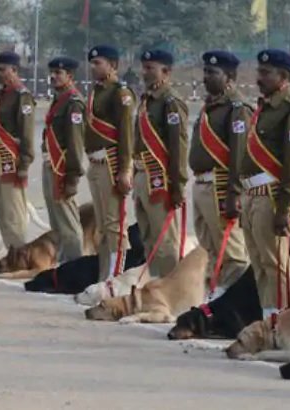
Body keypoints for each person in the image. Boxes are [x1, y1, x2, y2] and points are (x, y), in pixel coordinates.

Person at [240, 49, 290, 320]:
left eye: (266, 73)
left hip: (272, 195)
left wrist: (284, 206)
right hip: (251, 193)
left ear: (283, 77)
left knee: (275, 262)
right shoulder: (264, 108)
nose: (259, 77)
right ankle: (267, 317)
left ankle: (283, 321)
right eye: (259, 71)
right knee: (258, 263)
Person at [189, 50, 250, 298]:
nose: (206, 77)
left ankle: (231, 299)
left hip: (220, 186)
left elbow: (238, 155)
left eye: (213, 72)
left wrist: (234, 192)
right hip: (202, 185)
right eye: (205, 71)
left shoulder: (237, 109)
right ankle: (212, 296)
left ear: (230, 76)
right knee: (210, 249)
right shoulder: (210, 106)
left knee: (232, 252)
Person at [134, 49, 188, 277]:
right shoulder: (147, 100)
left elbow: (178, 147)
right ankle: (155, 282)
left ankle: (168, 286)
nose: (144, 72)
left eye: (150, 68)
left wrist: (177, 185)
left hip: (160, 178)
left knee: (164, 239)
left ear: (166, 72)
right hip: (141, 174)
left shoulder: (171, 103)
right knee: (147, 235)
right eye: (144, 67)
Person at [85, 45, 136, 282]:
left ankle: (115, 278)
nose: (93, 67)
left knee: (115, 224)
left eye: (99, 63)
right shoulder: (97, 91)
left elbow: (125, 134)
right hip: (95, 162)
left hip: (111, 162)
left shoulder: (120, 93)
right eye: (92, 63)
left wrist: (125, 169)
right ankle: (103, 276)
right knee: (102, 227)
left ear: (113, 65)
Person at [42, 56, 85, 262]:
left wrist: (72, 177)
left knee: (68, 222)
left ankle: (75, 263)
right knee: (56, 221)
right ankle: (62, 262)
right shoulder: (59, 100)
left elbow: (75, 143)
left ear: (70, 76)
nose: (53, 76)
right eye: (52, 72)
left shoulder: (73, 103)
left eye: (58, 73)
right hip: (51, 164)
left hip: (62, 167)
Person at [0, 51, 34, 248]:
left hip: (12, 158)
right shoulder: (4, 94)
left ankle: (19, 252)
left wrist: (24, 162)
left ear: (14, 70)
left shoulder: (21, 96)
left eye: (2, 69)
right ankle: (11, 252)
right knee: (1, 208)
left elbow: (26, 133)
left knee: (13, 209)